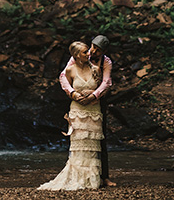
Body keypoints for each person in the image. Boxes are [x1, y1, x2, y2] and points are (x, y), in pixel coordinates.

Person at [38, 41, 104, 190]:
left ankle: (92, 179)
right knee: (79, 145)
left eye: (88, 51)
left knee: (92, 146)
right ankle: (77, 178)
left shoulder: (96, 70)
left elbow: (103, 88)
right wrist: (74, 95)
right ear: (76, 55)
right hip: (78, 111)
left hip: (93, 111)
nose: (89, 54)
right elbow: (66, 89)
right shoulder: (70, 71)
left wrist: (92, 96)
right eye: (85, 52)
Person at [58, 34, 116, 187]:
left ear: (103, 51)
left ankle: (104, 177)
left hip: (98, 99)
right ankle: (79, 173)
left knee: (100, 138)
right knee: (79, 137)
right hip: (78, 97)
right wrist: (73, 93)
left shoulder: (106, 62)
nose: (92, 52)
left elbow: (106, 82)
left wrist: (93, 96)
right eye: (92, 47)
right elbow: (64, 75)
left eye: (97, 50)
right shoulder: (79, 56)